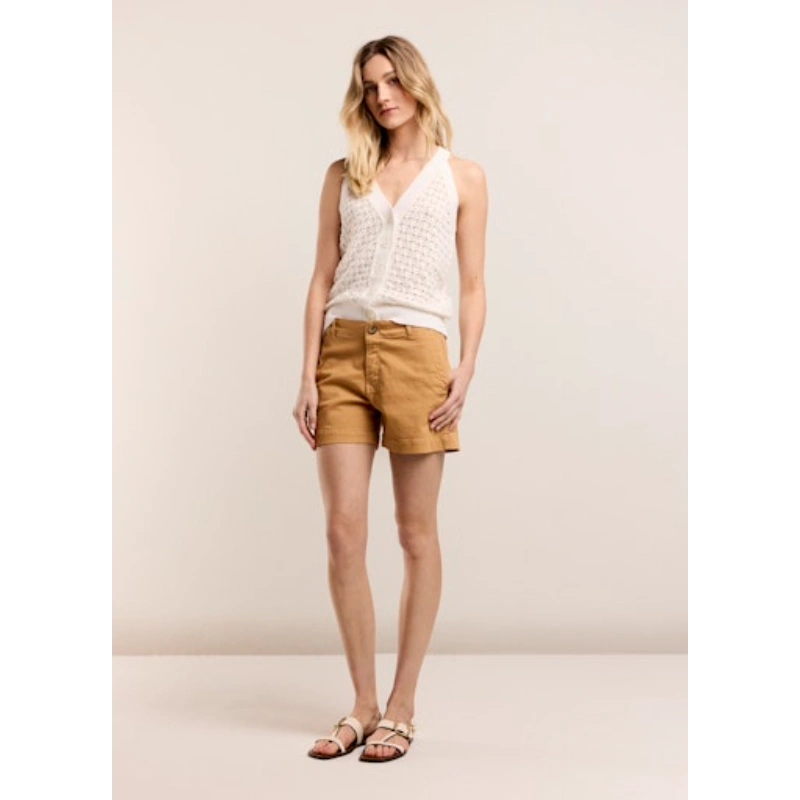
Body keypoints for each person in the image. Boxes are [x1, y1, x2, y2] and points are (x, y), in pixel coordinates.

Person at [293, 35, 487, 763]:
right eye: (370, 86)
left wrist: (466, 366)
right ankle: (362, 704)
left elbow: (473, 284)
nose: (382, 96)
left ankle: (402, 707)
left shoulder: (462, 177)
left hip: (418, 354)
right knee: (343, 534)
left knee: (414, 534)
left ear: (416, 82)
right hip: (342, 353)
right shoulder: (343, 174)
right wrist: (307, 374)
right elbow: (321, 277)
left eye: (392, 81)